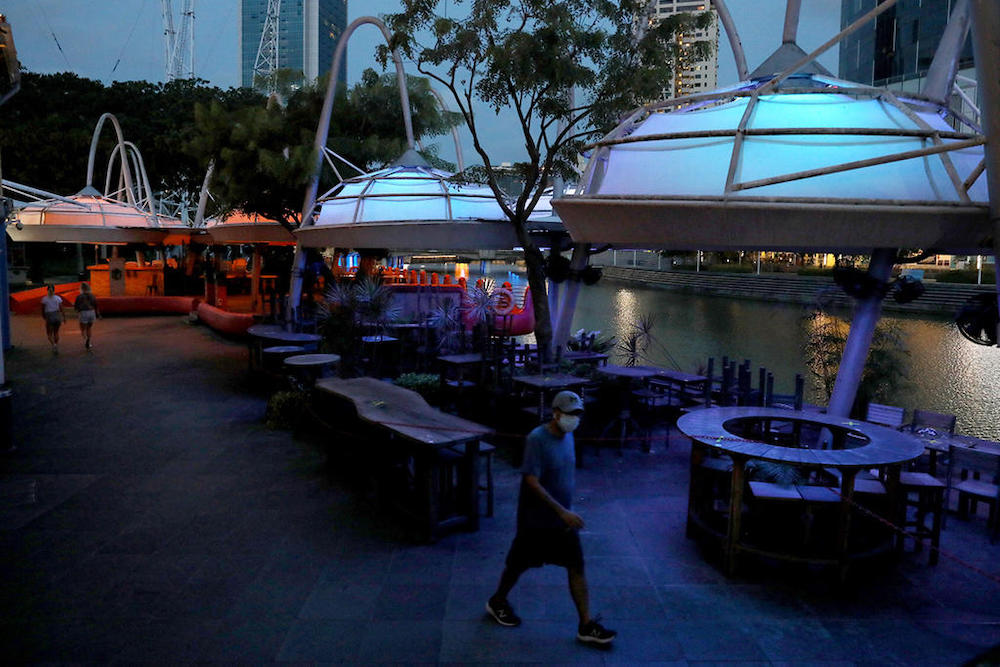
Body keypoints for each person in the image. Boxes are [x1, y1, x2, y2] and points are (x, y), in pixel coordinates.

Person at [486, 390, 617, 646]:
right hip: (536, 521)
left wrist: (566, 510)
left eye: (577, 414)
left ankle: (586, 624)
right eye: (570, 414)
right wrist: (562, 511)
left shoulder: (569, 436)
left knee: (576, 567)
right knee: (517, 565)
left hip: (562, 524)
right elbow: (531, 480)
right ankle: (497, 601)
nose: (574, 419)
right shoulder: (537, 439)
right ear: (555, 414)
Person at [73, 282, 100, 350]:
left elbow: (76, 306)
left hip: (83, 312)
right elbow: (96, 305)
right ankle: (89, 341)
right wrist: (98, 314)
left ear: (81, 288)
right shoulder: (92, 296)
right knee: (89, 328)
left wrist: (77, 311)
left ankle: (85, 338)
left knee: (82, 328)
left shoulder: (79, 296)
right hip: (91, 312)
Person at [40, 285, 66, 354]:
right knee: (56, 332)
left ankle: (53, 345)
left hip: (49, 316)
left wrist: (43, 316)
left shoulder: (44, 299)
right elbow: (61, 308)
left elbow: (42, 309)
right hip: (57, 315)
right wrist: (64, 317)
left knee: (49, 333)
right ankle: (56, 345)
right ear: (54, 290)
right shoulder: (58, 298)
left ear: (47, 290)